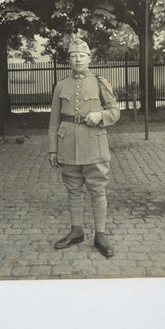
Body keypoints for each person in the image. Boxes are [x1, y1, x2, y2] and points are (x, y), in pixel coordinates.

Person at [48, 38, 120, 257]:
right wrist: (52, 149)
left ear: (90, 59)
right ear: (69, 59)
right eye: (73, 55)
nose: (78, 59)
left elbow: (115, 111)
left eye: (82, 55)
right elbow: (53, 121)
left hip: (94, 145)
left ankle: (100, 234)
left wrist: (100, 115)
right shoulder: (61, 85)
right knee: (73, 189)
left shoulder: (100, 83)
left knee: (97, 189)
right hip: (67, 144)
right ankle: (76, 230)